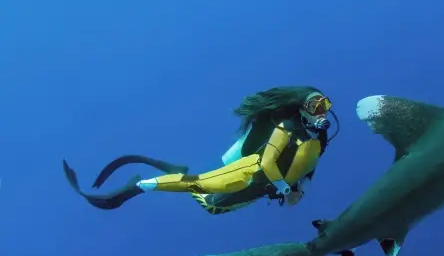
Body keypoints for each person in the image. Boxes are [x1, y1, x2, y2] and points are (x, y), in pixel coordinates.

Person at [63, 86, 338, 215]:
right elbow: (267, 162)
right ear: (301, 107)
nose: (321, 111)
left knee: (213, 209)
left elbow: (311, 166)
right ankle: (138, 186)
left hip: (267, 190)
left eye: (325, 105)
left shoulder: (321, 137)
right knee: (199, 186)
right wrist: (286, 189)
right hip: (251, 174)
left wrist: (302, 189)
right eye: (315, 105)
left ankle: (172, 171)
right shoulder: (287, 125)